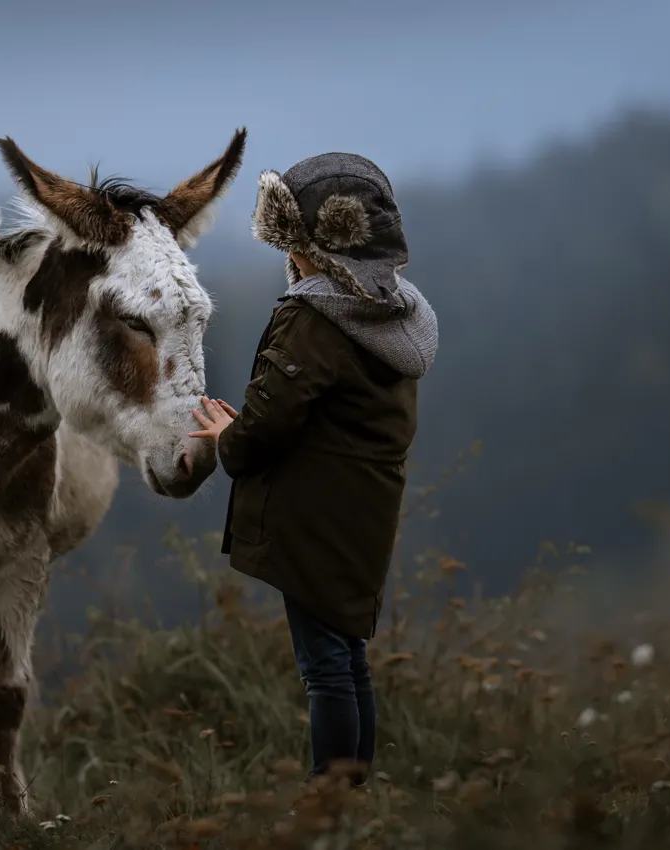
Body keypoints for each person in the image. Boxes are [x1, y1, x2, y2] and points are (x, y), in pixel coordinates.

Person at [190, 153, 438, 787]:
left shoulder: (314, 320)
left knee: (325, 666)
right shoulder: (395, 317)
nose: (289, 261)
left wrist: (228, 435)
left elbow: (269, 421)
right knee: (349, 657)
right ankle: (353, 794)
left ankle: (332, 797)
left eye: (292, 248)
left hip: (313, 520)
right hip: (361, 514)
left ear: (313, 251)